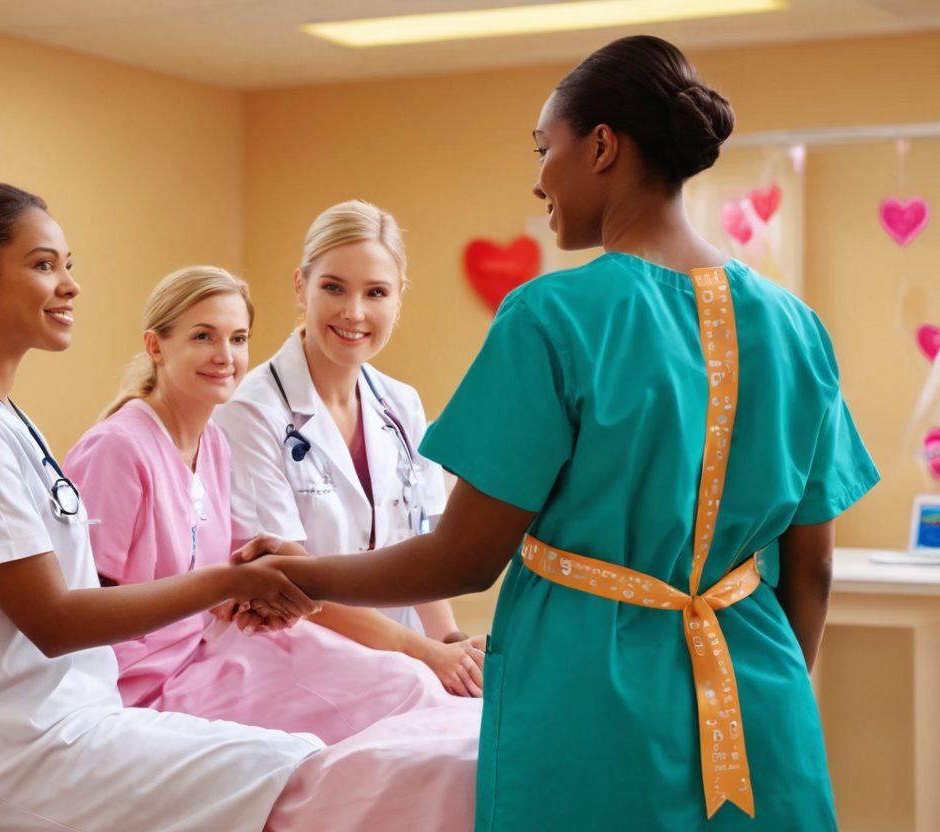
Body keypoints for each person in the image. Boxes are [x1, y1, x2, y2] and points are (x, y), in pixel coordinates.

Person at [236, 36, 878, 831]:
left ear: (601, 146)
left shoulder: (553, 316)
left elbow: (465, 558)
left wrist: (304, 578)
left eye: (546, 149)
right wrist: (761, 691)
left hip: (590, 704)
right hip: (759, 706)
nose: (539, 177)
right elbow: (810, 570)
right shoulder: (797, 326)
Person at [0, 182, 322, 831]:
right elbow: (53, 619)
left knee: (301, 763)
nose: (71, 285)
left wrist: (236, 582)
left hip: (59, 725)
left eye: (68, 265)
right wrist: (228, 580)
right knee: (292, 773)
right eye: (45, 264)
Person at [64, 266, 478, 829]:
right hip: (150, 681)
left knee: (404, 685)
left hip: (219, 646)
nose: (225, 355)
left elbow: (231, 565)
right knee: (373, 729)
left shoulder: (211, 441)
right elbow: (83, 610)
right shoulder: (117, 448)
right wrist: (226, 590)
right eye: (203, 336)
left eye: (237, 339)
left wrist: (265, 577)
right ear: (155, 346)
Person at [215, 199, 485, 697]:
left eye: (376, 292)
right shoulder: (248, 412)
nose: (354, 312)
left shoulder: (401, 404)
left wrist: (451, 642)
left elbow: (427, 543)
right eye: (333, 287)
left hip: (402, 660)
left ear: (398, 298)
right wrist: (423, 652)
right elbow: (284, 582)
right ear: (301, 287)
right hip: (297, 663)